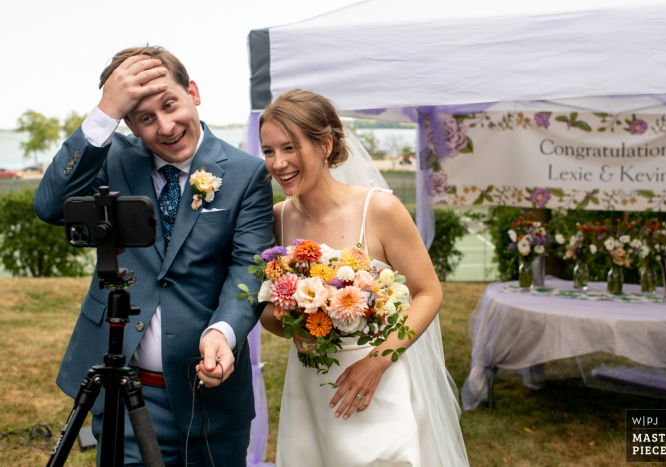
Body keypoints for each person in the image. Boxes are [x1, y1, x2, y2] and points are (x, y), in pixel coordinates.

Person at [34, 46, 274, 466]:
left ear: (193, 92)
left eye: (170, 105)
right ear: (128, 123)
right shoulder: (111, 161)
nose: (166, 127)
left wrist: (223, 332)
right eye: (145, 118)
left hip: (210, 401)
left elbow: (249, 269)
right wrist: (104, 111)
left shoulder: (246, 172)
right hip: (125, 396)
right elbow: (51, 206)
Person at [258, 90, 469, 466]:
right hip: (309, 390)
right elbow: (264, 309)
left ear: (325, 144)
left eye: (289, 147)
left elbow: (428, 292)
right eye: (269, 151)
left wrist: (378, 361)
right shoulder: (277, 219)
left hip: (380, 383)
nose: (279, 163)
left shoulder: (380, 208)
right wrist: (295, 328)